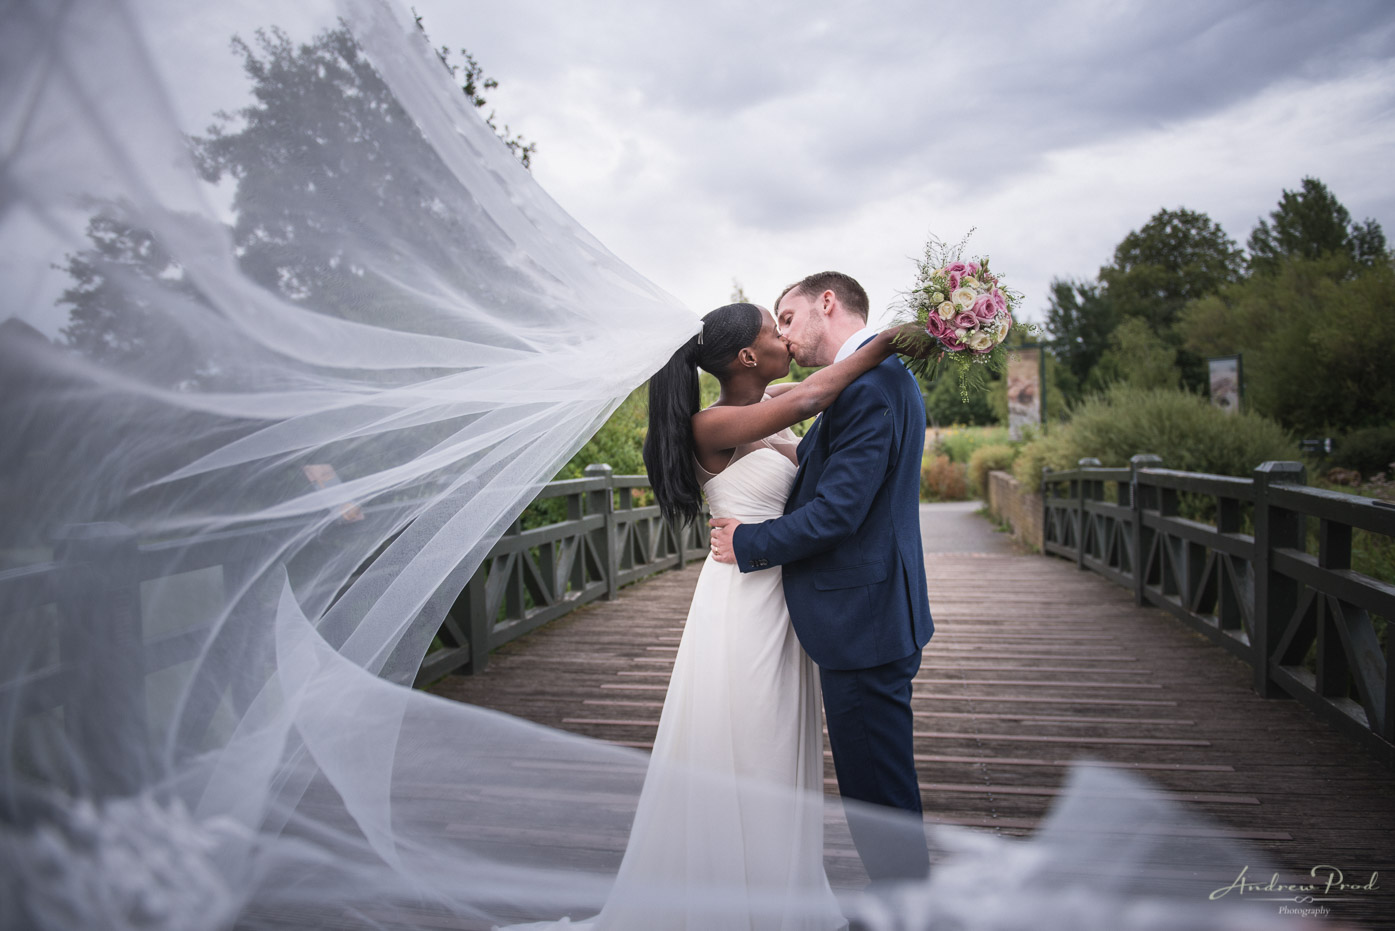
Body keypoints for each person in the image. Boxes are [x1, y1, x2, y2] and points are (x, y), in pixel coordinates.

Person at [500, 301, 920, 930]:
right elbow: (811, 400)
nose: (784, 335)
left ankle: (780, 891)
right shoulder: (712, 424)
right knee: (748, 745)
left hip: (783, 598)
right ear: (748, 355)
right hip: (743, 606)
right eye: (773, 329)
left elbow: (807, 399)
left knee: (779, 749)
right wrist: (892, 339)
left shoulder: (765, 400)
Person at [709, 272, 934, 883]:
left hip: (862, 620)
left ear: (826, 304)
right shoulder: (871, 378)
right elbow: (814, 458)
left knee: (877, 792)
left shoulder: (868, 383)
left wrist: (747, 540)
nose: (784, 332)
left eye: (788, 316)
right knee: (878, 783)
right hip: (868, 611)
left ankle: (905, 915)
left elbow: (836, 513)